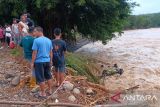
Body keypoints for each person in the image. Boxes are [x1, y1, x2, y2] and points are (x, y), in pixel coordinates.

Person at [31, 27, 53, 97]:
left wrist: (32, 62)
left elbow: (34, 53)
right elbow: (51, 52)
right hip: (47, 61)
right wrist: (51, 60)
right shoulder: (49, 40)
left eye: (35, 31)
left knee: (41, 78)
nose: (34, 33)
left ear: (39, 31)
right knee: (48, 76)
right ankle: (50, 90)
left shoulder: (36, 40)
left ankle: (43, 93)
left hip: (39, 62)